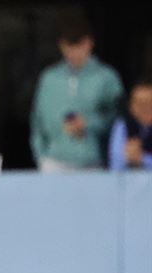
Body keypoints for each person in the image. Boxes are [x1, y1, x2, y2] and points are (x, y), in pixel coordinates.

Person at [30, 17, 124, 172]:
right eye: (68, 47)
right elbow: (37, 120)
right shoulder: (49, 78)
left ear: (89, 43)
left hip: (93, 162)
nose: (73, 53)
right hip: (53, 162)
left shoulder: (106, 77)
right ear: (61, 46)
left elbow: (117, 118)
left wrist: (89, 123)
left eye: (79, 46)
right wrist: (41, 156)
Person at [109, 79, 152, 170]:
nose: (145, 108)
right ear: (131, 107)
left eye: (150, 103)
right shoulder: (122, 126)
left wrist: (142, 159)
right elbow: (115, 163)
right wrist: (128, 157)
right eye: (140, 103)